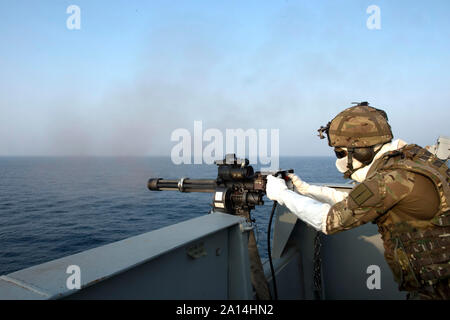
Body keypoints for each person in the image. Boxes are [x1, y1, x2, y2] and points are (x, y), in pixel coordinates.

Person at [266, 102, 450, 299]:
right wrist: (307, 190)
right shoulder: (409, 159)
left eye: (340, 153)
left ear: (362, 151)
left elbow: (328, 221)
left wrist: (282, 194)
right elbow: (359, 202)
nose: (339, 160)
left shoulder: (389, 180)